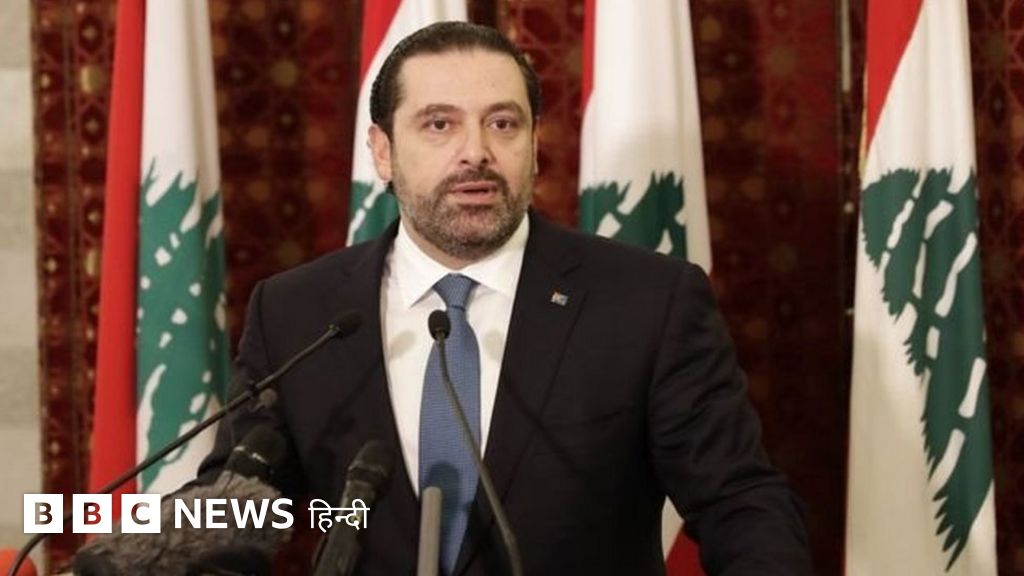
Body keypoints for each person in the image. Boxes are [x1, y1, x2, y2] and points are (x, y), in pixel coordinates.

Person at [197, 21, 813, 575]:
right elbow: (239, 507)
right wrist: (141, 528)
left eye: (502, 123)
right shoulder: (298, 312)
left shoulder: (646, 302)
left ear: (534, 145)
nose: (476, 152)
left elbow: (739, 501)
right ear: (382, 151)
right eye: (440, 124)